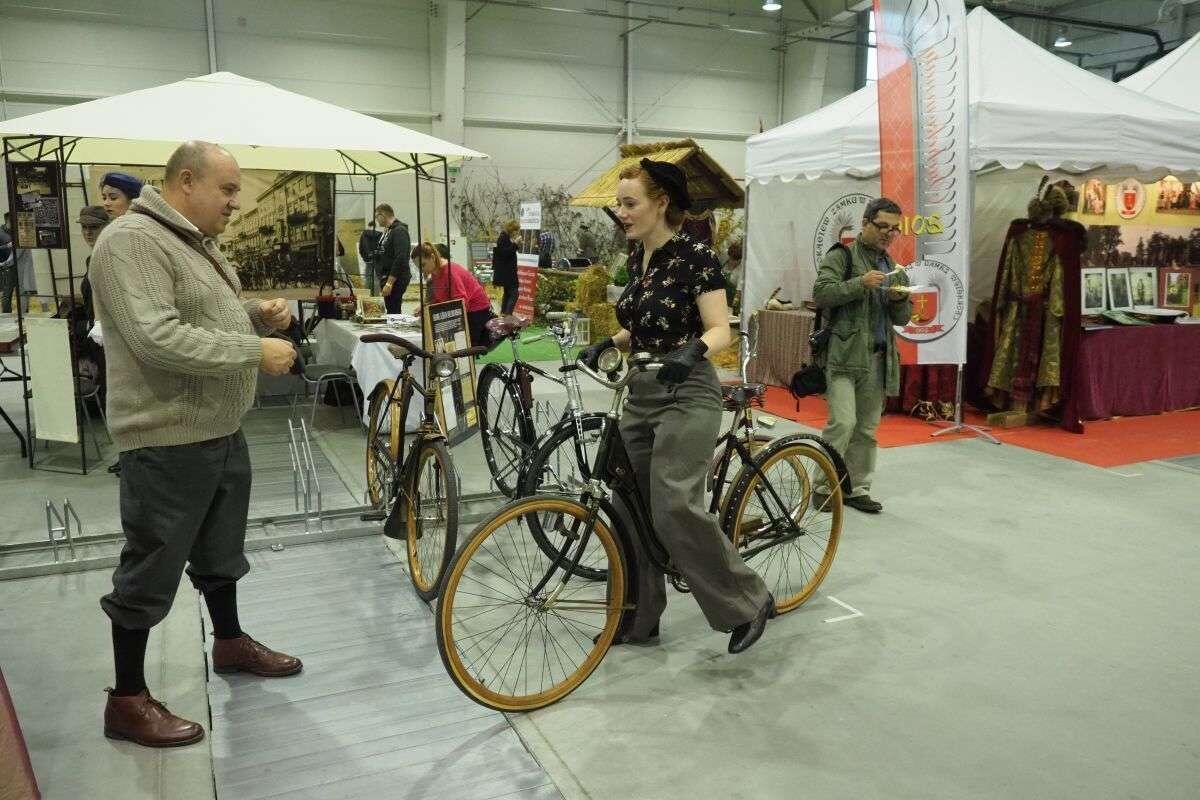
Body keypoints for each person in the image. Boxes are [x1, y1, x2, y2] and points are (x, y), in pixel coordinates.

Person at [90, 141, 302, 749]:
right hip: (167, 439)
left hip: (218, 429)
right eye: (228, 190)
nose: (236, 202)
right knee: (151, 566)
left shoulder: (191, 242)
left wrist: (253, 315)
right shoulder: (131, 241)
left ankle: (228, 642)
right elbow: (156, 337)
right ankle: (127, 698)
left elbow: (199, 314)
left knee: (219, 549)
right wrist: (253, 350)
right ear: (187, 181)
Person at [578, 158, 773, 655]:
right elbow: (644, 323)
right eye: (619, 204)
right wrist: (610, 342)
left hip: (687, 391)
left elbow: (720, 328)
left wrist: (693, 353)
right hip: (641, 390)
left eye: (630, 203)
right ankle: (637, 616)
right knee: (629, 507)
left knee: (672, 504)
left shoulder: (696, 257)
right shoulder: (638, 256)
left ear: (661, 202)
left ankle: (747, 602)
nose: (621, 213)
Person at [812, 197, 912, 514]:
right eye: (882, 226)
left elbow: (903, 318)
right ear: (866, 222)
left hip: (879, 359)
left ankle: (857, 488)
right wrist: (860, 283)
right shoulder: (841, 256)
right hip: (843, 356)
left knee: (867, 430)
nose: (888, 234)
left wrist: (898, 299)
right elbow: (821, 293)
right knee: (843, 424)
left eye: (894, 229)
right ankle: (822, 487)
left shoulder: (894, 268)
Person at [414, 242, 495, 347]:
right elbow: (441, 298)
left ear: (432, 257)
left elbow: (461, 302)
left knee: (463, 346)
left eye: (423, 265)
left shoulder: (450, 272)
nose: (422, 270)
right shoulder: (435, 273)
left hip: (476, 311)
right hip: (467, 310)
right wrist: (426, 307)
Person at [374, 204, 411, 314]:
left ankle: (396, 325)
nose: (376, 220)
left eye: (377, 216)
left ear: (383, 215)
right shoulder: (389, 230)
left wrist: (389, 283)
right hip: (387, 276)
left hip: (396, 278)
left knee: (394, 311)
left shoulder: (399, 231)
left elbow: (401, 258)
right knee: (391, 309)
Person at [0, 212, 36, 314]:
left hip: (19, 265)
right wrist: (6, 247)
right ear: (8, 221)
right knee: (7, 292)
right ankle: (7, 315)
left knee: (23, 290)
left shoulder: (19, 232)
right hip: (7, 266)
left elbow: (19, 251)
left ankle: (23, 314)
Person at [493, 220, 520, 315]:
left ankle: (504, 313)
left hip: (507, 272)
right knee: (514, 293)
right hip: (507, 273)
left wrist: (515, 244)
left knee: (508, 293)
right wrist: (515, 244)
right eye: (515, 230)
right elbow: (505, 253)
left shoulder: (505, 237)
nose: (516, 233)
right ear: (511, 229)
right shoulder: (503, 238)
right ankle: (508, 314)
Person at [357, 220, 383, 293]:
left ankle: (368, 294)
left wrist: (365, 257)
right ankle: (376, 295)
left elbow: (361, 248)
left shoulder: (364, 235)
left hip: (368, 260)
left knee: (368, 278)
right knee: (377, 278)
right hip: (377, 260)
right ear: (375, 226)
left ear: (368, 226)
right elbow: (382, 248)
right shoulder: (380, 234)